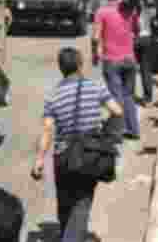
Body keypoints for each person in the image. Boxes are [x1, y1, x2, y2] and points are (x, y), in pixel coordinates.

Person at [33, 47, 123, 242]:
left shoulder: (53, 95)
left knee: (65, 202)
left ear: (60, 68)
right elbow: (117, 111)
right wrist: (105, 135)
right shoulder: (96, 87)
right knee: (82, 202)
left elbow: (47, 130)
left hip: (63, 156)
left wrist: (39, 160)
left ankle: (67, 234)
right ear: (81, 65)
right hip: (89, 153)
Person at [94, 0, 141, 139]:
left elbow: (95, 37)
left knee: (116, 96)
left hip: (111, 60)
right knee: (129, 95)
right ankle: (133, 129)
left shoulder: (102, 12)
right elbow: (136, 30)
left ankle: (117, 131)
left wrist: (95, 54)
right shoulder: (129, 11)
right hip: (129, 59)